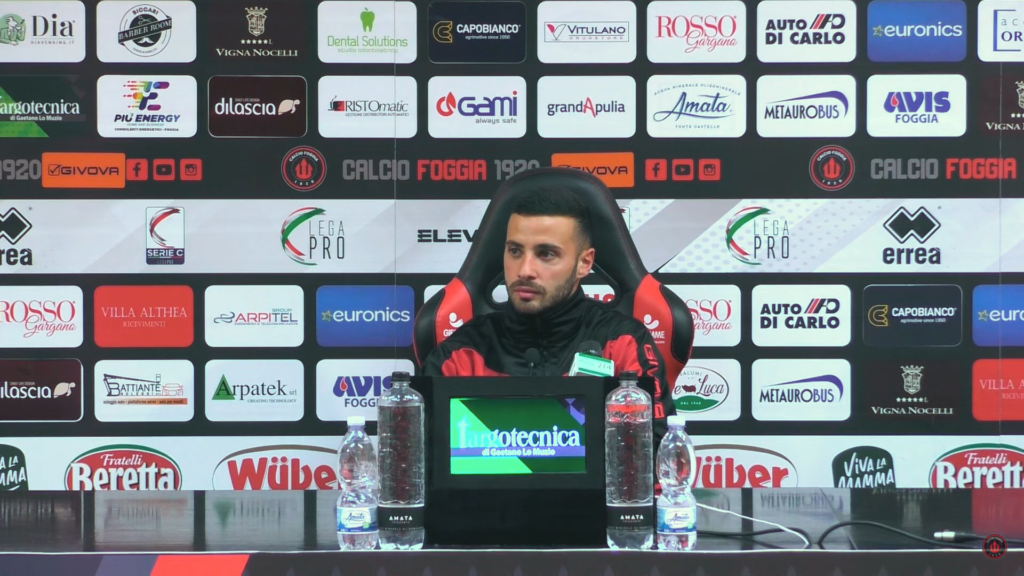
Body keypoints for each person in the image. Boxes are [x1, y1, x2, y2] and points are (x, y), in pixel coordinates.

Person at [422, 187, 676, 446]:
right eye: (515, 251)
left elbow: (652, 454)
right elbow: (422, 459)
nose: (525, 270)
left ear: (584, 263)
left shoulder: (624, 344)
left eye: (546, 254)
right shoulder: (459, 356)